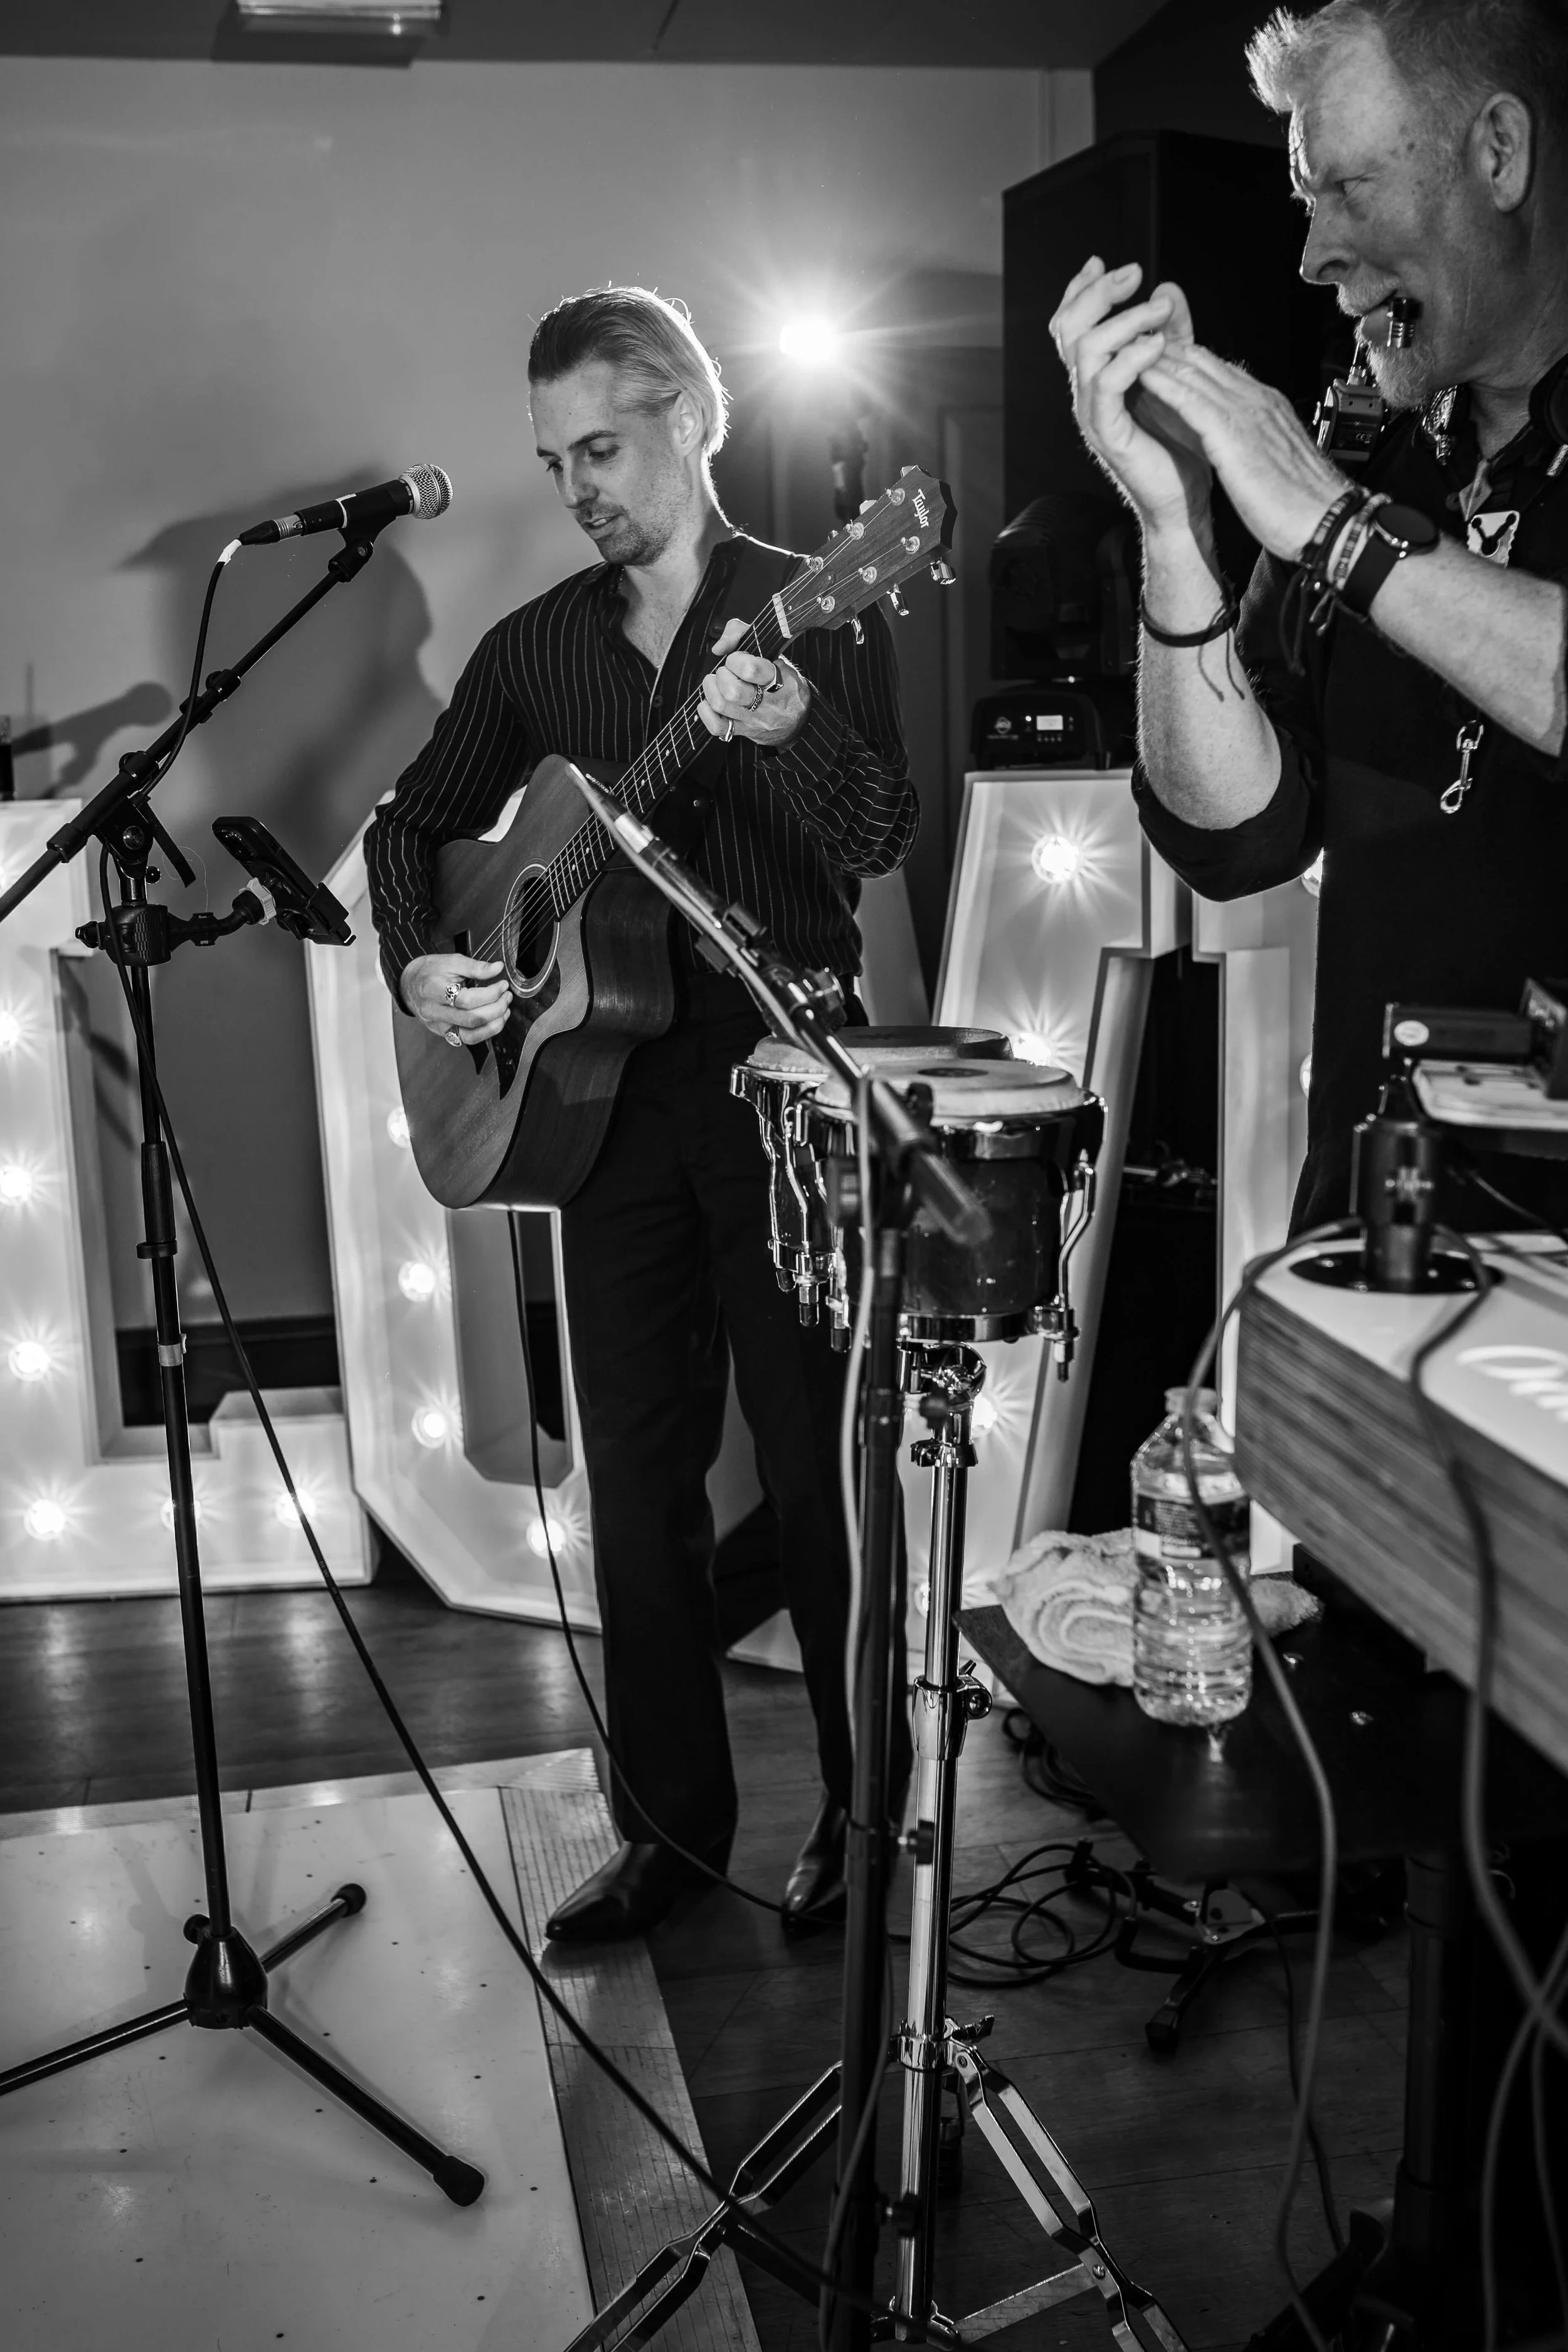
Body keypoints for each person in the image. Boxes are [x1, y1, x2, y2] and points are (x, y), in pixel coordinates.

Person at [365, 287, 916, 1941]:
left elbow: (880, 827)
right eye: (555, 459)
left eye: (600, 446)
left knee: (827, 1485)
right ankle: (668, 1832)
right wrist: (420, 970)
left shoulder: (810, 605)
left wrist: (798, 721)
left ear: (693, 413)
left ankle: (864, 1820)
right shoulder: (535, 647)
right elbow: (415, 826)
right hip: (596, 1115)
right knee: (640, 1485)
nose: (577, 484)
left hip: (777, 1095)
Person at [1051, 0, 1568, 1234]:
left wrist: (1331, 525)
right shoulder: (1370, 459)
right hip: (1375, 1232)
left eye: (1344, 189)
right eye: (1304, 200)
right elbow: (1235, 838)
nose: (1310, 257)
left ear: (1497, 154)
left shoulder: (1338, 505)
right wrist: (1172, 529)